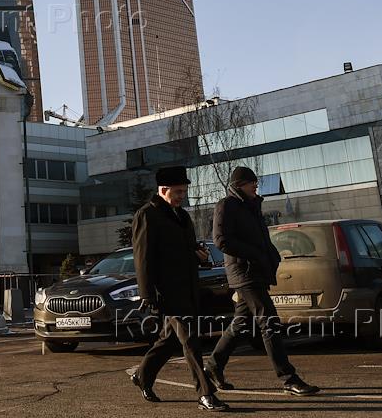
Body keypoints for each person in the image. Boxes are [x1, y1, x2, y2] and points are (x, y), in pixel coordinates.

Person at [206, 166, 319, 397]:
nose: (256, 186)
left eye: (255, 182)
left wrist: (271, 255)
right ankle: (288, 378)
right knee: (269, 322)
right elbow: (221, 240)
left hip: (256, 271)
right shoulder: (227, 205)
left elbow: (260, 239)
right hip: (244, 273)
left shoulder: (251, 206)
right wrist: (255, 255)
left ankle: (213, 366)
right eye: (252, 183)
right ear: (239, 185)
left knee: (241, 323)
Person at [132, 166, 229, 412]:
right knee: (191, 341)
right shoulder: (147, 215)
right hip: (167, 291)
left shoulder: (182, 216)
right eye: (178, 192)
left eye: (184, 191)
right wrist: (147, 294)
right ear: (163, 190)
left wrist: (199, 254)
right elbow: (143, 258)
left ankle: (142, 375)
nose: (182, 196)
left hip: (188, 287)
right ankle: (205, 393)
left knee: (169, 340)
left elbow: (185, 248)